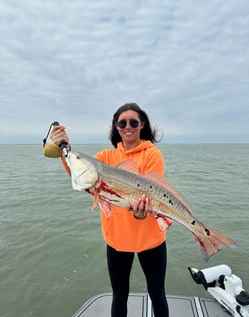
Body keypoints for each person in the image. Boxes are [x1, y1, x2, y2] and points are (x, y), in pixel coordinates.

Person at [50, 102, 171, 317]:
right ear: (116, 126)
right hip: (117, 240)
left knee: (157, 295)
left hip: (151, 239)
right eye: (122, 122)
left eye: (133, 122)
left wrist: (141, 212)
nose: (128, 126)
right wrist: (64, 149)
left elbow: (153, 197)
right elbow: (82, 174)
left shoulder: (153, 155)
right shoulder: (106, 157)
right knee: (119, 295)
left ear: (142, 124)